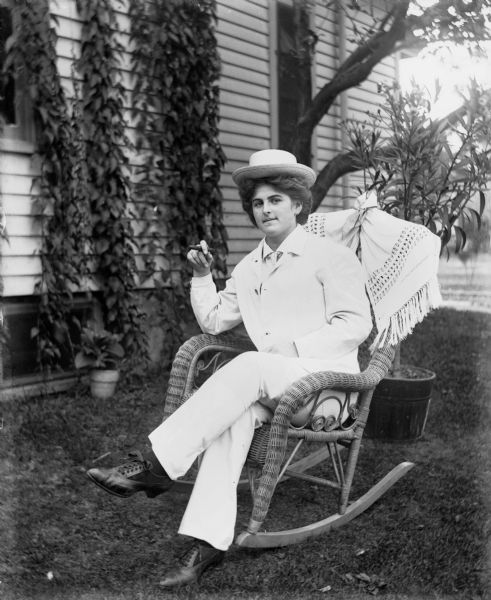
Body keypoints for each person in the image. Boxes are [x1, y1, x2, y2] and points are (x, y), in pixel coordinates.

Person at [87, 149, 373, 588]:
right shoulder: (249, 266)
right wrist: (202, 277)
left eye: (275, 200)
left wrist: (292, 348)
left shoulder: (330, 257)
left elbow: (357, 323)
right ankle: (208, 544)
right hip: (270, 389)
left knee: (251, 364)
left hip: (327, 394)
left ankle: (155, 466)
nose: (265, 210)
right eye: (258, 203)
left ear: (297, 204)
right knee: (231, 420)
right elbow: (214, 321)